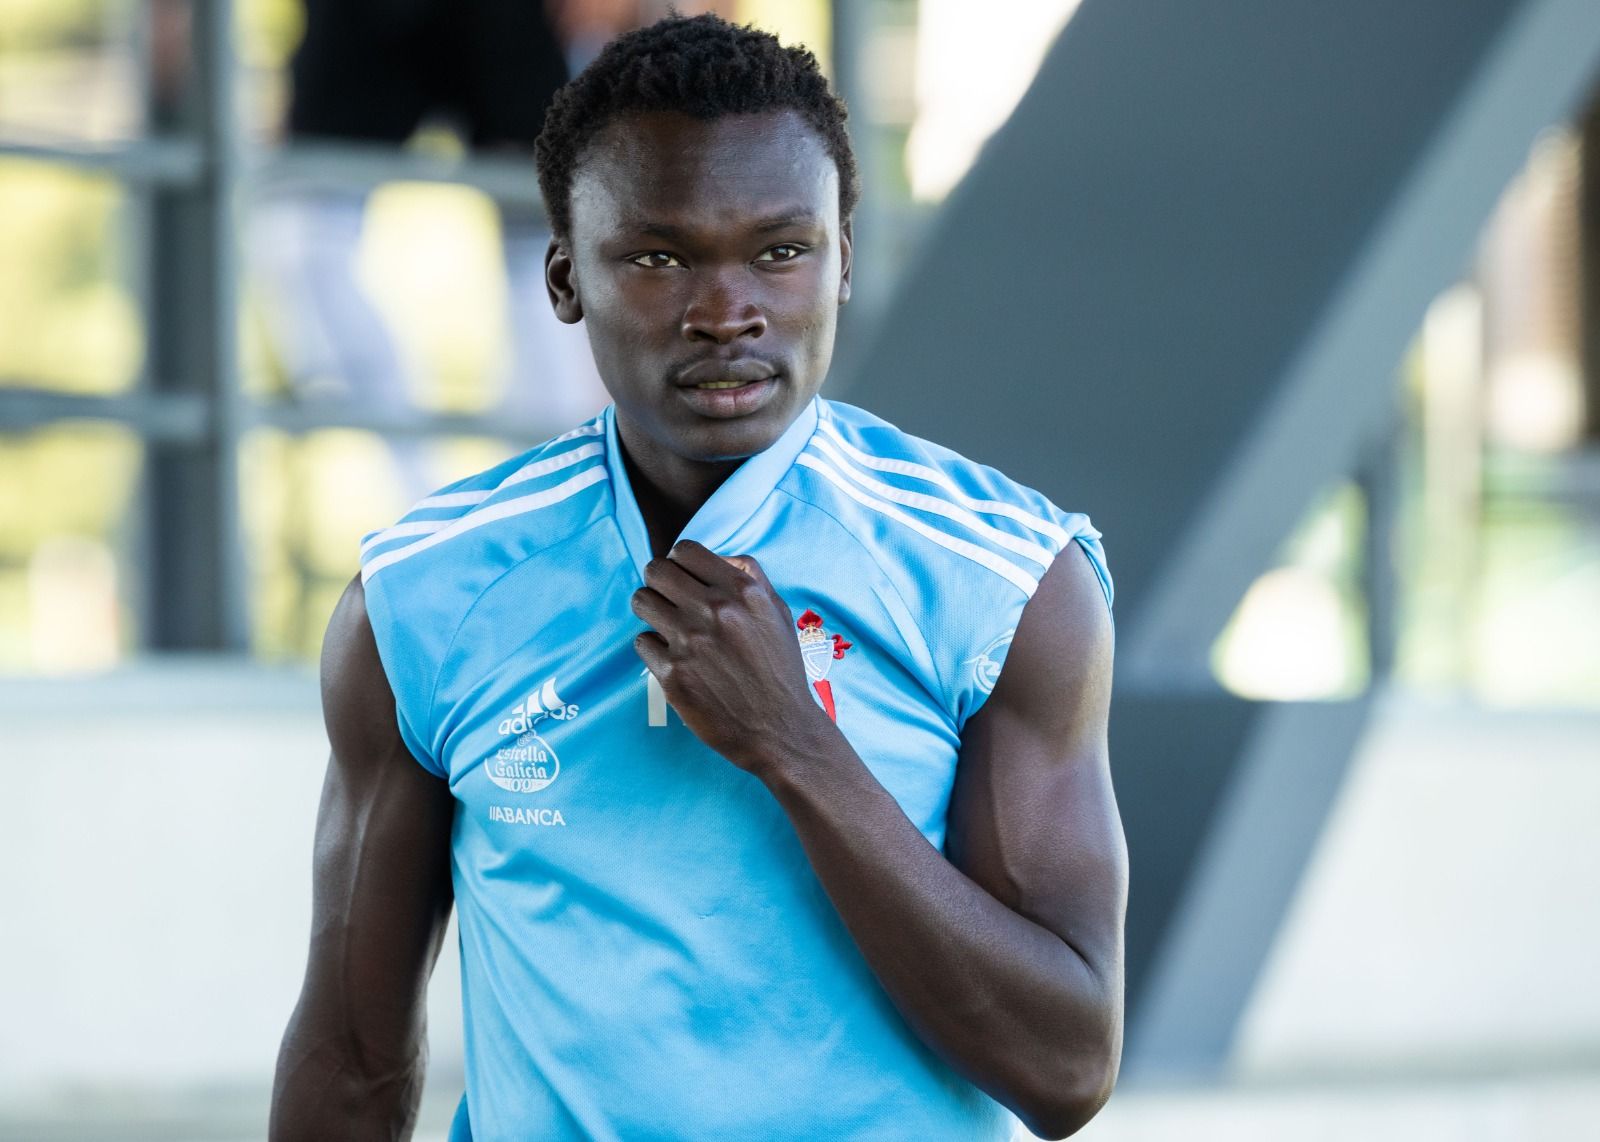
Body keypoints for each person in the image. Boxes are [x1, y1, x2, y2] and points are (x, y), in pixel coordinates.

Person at [270, 14, 1126, 1141]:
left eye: (780, 251)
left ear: (843, 260)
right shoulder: (423, 601)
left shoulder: (1007, 581)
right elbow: (351, 1061)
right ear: (566, 277)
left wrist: (796, 746)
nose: (726, 313)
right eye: (659, 257)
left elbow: (1066, 1066)